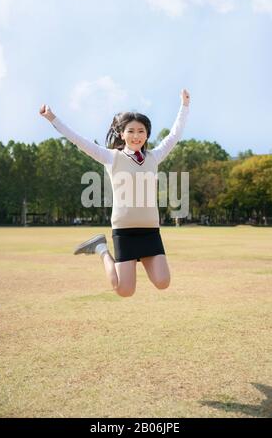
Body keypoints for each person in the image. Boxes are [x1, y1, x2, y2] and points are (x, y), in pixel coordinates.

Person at [39, 89, 190, 297]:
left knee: (163, 282)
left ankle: (102, 248)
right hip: (125, 232)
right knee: (124, 290)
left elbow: (175, 135)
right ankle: (101, 248)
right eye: (131, 131)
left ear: (147, 135)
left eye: (141, 131)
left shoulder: (154, 157)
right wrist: (52, 118)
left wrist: (184, 105)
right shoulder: (112, 157)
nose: (136, 136)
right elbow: (79, 141)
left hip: (150, 231)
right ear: (122, 134)